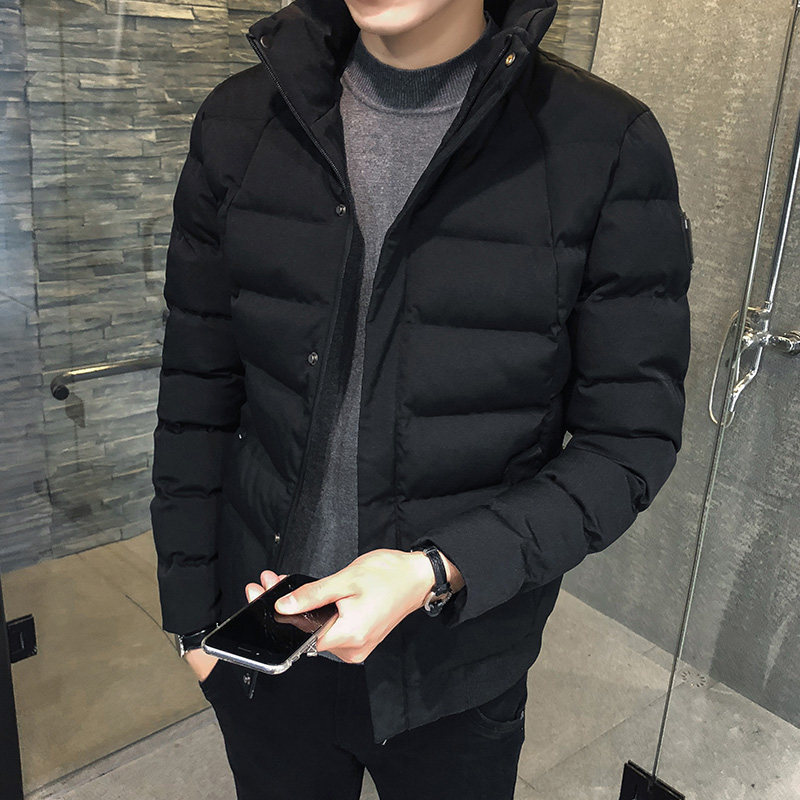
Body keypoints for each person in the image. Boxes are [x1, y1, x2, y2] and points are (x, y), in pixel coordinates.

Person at [149, 0, 693, 797]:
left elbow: (629, 443)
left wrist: (438, 570)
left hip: (455, 670)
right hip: (264, 642)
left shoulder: (603, 143)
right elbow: (197, 391)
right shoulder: (240, 123)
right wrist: (192, 625)